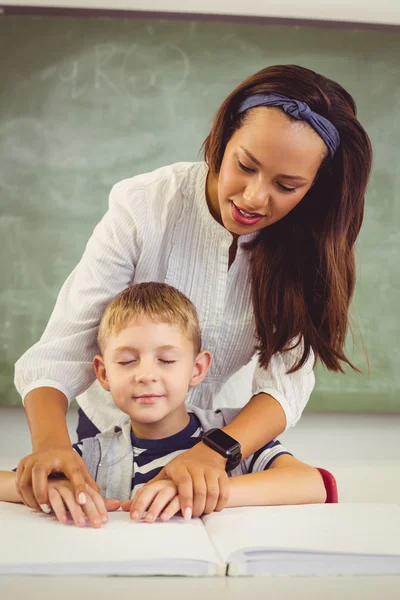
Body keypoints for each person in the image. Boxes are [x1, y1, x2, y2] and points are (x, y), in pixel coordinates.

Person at [13, 64, 372, 518]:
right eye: (245, 166)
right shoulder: (144, 206)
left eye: (287, 186)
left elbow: (285, 382)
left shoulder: (312, 244)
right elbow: (63, 351)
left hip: (231, 433)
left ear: (313, 189)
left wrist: (215, 451)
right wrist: (50, 447)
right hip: (115, 425)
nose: (254, 199)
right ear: (221, 139)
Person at [2, 283, 327, 526]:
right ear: (103, 374)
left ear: (197, 369)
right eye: (127, 361)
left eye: (167, 360)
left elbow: (314, 484)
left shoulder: (230, 434)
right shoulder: (94, 455)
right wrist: (46, 487)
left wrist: (210, 491)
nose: (146, 375)